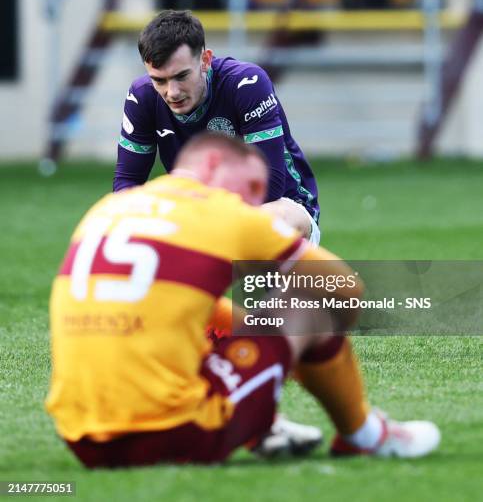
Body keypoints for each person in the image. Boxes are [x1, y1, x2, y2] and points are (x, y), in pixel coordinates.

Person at [46, 133, 440, 468]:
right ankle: (365, 434)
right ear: (214, 164)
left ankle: (262, 422)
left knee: (199, 330)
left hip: (81, 439)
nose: (256, 201)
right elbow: (347, 290)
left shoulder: (107, 209)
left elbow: (171, 309)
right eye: (252, 187)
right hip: (169, 434)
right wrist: (287, 346)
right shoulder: (225, 214)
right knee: (309, 305)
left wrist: (251, 334)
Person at [113, 9, 320, 245]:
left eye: (181, 76)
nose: (172, 92)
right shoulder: (142, 96)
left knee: (270, 218)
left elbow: (268, 185)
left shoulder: (247, 83)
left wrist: (191, 217)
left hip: (280, 206)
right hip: (199, 216)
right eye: (159, 80)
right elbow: (126, 184)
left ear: (205, 60)